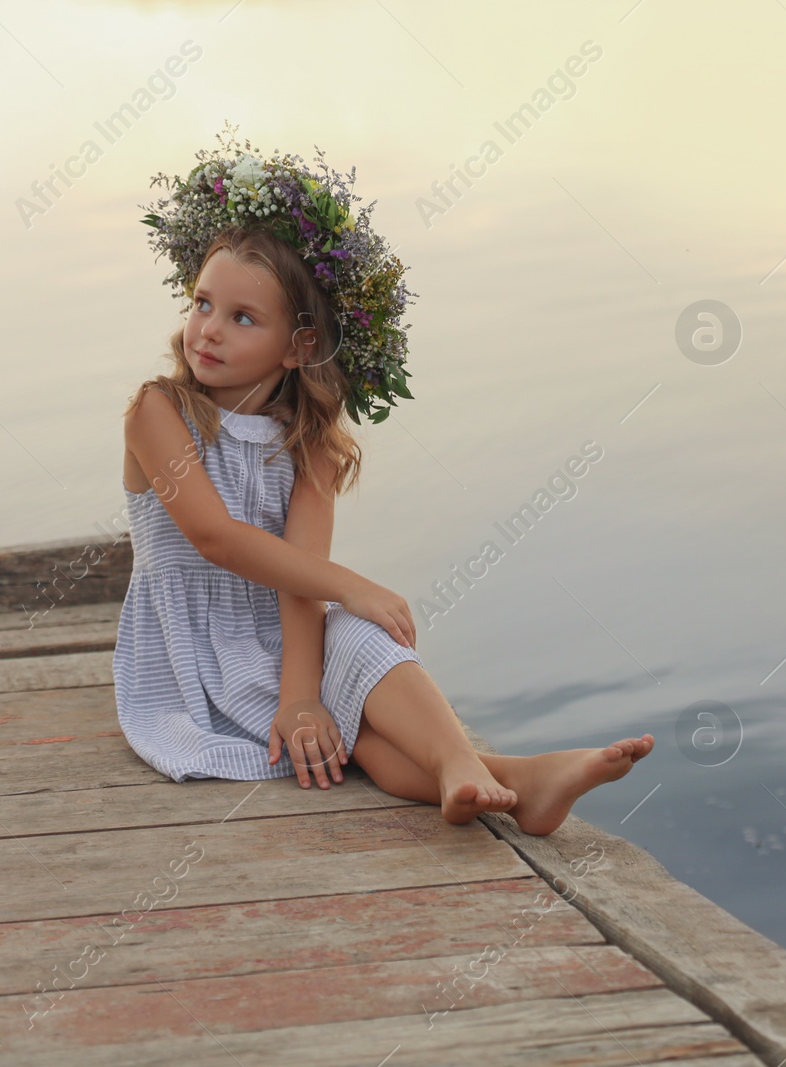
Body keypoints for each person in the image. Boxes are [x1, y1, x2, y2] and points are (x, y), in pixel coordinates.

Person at [114, 132, 652, 835]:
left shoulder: (309, 444)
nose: (208, 331)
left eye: (242, 317)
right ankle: (510, 776)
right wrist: (352, 585)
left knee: (354, 700)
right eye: (203, 304)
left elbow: (300, 583)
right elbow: (217, 538)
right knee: (357, 710)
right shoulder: (161, 411)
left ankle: (475, 771)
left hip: (283, 637)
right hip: (193, 649)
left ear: (300, 345)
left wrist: (303, 694)